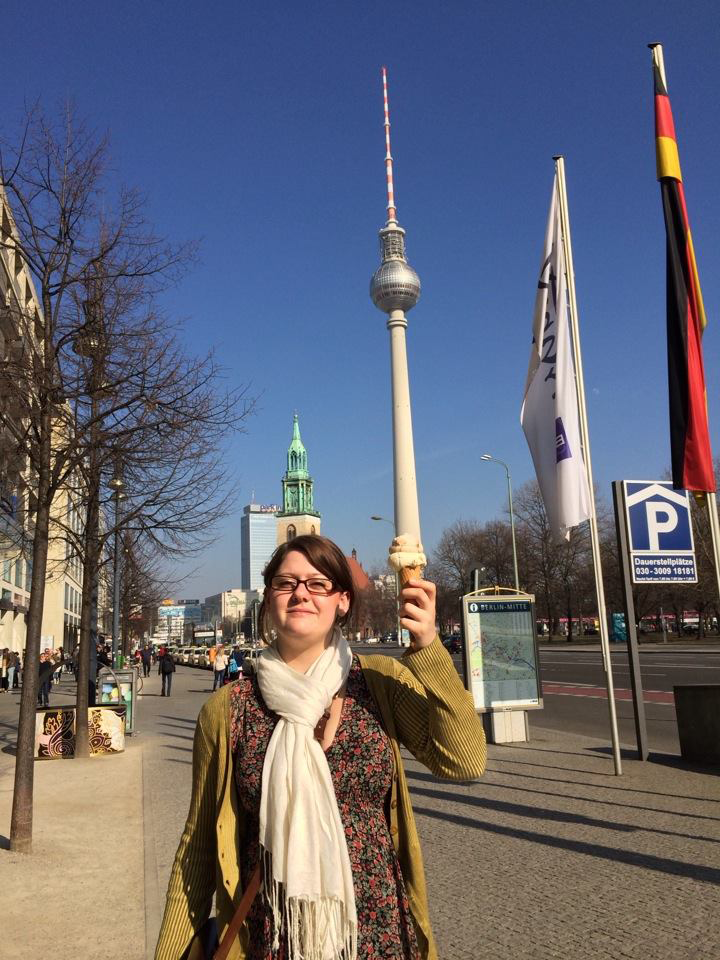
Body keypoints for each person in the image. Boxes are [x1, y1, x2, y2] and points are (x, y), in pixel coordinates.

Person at [155, 534, 486, 960]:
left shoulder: (379, 682)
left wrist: (428, 647)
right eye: (285, 583)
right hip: (275, 938)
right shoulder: (228, 709)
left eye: (317, 584)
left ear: (342, 601)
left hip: (379, 934)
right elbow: (198, 846)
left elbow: (464, 759)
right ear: (268, 598)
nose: (300, 594)